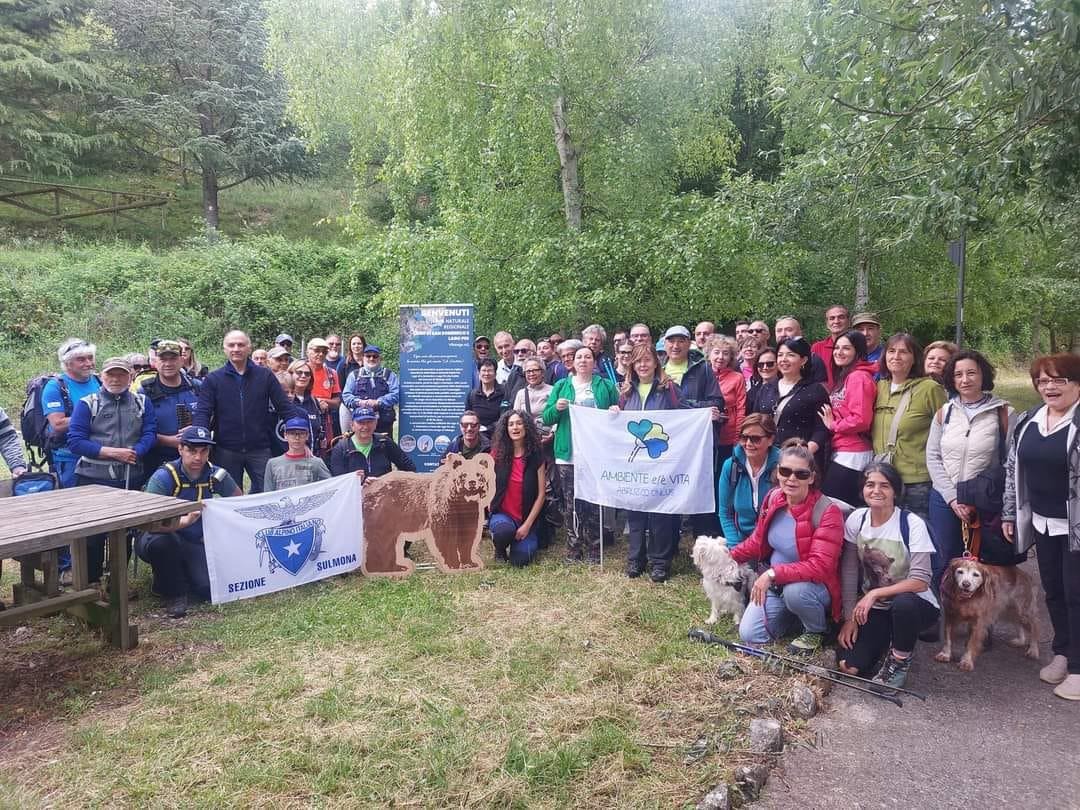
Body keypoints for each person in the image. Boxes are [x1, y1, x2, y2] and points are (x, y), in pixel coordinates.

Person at [1003, 354, 1080, 700]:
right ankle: (1063, 652)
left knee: (1077, 595)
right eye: (1043, 381)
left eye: (1059, 380)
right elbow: (1011, 469)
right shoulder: (1030, 419)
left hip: (1075, 525)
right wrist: (1009, 513)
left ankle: (1079, 668)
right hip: (1043, 523)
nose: (1049, 387)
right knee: (1056, 592)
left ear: (1076, 384)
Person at [730, 439, 845, 654]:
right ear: (778, 472)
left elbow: (820, 566)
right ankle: (794, 618)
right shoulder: (774, 497)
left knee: (796, 593)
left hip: (811, 587)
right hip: (775, 586)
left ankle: (817, 629)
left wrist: (772, 574)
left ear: (811, 477)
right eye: (785, 471)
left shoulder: (828, 512)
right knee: (750, 635)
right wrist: (729, 556)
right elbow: (757, 540)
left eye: (800, 474)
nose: (791, 478)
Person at [837, 462, 940, 689]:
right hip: (875, 608)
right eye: (870, 484)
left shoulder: (912, 524)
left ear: (895, 491)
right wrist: (849, 617)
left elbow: (921, 581)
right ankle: (887, 641)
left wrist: (875, 593)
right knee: (849, 666)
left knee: (903, 605)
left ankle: (899, 661)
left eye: (884, 485)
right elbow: (850, 569)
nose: (876, 491)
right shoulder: (857, 519)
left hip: (915, 604)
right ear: (862, 489)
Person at [926, 349, 1014, 589]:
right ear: (951, 379)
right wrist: (953, 498)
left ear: (982, 375)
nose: (965, 380)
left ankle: (982, 622)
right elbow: (933, 457)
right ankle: (946, 620)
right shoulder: (944, 413)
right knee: (944, 562)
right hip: (945, 498)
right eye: (958, 374)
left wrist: (1008, 510)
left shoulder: (1004, 413)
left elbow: (1010, 464)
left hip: (984, 499)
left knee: (983, 567)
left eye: (971, 373)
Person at [67, 357, 158, 583]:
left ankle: (117, 583)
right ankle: (91, 583)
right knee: (93, 535)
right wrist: (113, 452)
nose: (115, 379)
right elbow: (75, 441)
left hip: (129, 477)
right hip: (92, 479)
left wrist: (137, 451)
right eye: (110, 374)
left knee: (124, 533)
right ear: (102, 376)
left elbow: (150, 433)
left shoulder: (142, 402)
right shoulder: (88, 403)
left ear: (131, 377)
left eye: (121, 374)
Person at [139, 425, 242, 617]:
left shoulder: (217, 474)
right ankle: (174, 594)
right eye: (192, 451)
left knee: (205, 589)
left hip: (197, 539)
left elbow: (238, 503)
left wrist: (216, 528)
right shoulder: (164, 476)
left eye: (204, 452)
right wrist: (183, 522)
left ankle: (174, 576)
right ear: (180, 449)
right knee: (164, 545)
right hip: (159, 535)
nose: (198, 457)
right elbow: (147, 521)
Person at [192, 330, 303, 494]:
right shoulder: (213, 379)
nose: (236, 349)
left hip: (260, 447)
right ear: (224, 349)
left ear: (249, 348)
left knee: (270, 494)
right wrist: (198, 441)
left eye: (241, 345)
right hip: (226, 449)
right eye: (231, 345)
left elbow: (285, 408)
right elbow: (203, 413)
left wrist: (299, 434)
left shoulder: (265, 376)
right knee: (230, 498)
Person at [543, 346, 619, 563]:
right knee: (571, 503)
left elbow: (618, 411)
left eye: (588, 356)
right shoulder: (561, 386)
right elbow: (547, 419)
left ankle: (595, 548)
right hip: (568, 454)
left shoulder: (605, 385)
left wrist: (615, 410)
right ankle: (573, 549)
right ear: (572, 363)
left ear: (594, 362)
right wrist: (557, 408)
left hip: (595, 453)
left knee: (594, 502)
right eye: (579, 357)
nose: (583, 360)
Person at [618, 342, 685, 581]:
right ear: (632, 366)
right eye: (638, 361)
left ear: (656, 363)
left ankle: (660, 562)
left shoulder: (669, 389)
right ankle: (636, 559)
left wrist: (706, 412)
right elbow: (620, 426)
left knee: (660, 513)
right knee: (635, 512)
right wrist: (614, 412)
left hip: (662, 460)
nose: (643, 365)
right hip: (636, 464)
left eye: (647, 360)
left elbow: (686, 415)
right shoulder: (626, 393)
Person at [871, 333, 946, 520]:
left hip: (916, 481)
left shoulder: (929, 388)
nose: (896, 356)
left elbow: (948, 431)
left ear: (915, 358)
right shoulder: (878, 387)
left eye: (903, 352)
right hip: (883, 478)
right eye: (891, 351)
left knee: (917, 536)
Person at [663, 325, 725, 534]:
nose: (676, 345)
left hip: (696, 442)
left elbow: (717, 402)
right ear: (665, 344)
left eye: (681, 340)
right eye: (671, 341)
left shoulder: (703, 368)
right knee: (668, 488)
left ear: (689, 343)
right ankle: (668, 544)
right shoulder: (657, 369)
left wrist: (684, 406)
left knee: (699, 488)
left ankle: (703, 541)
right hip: (667, 441)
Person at [752, 337, 829, 472]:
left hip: (800, 461)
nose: (784, 359)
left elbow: (822, 428)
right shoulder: (766, 389)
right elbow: (755, 422)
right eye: (780, 355)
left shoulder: (816, 390)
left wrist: (805, 453)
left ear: (803, 360)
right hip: (766, 457)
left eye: (790, 355)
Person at [819, 330, 877, 507]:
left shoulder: (858, 377)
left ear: (858, 352)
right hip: (843, 450)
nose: (839, 352)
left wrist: (833, 425)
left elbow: (861, 419)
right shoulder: (846, 376)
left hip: (854, 452)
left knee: (833, 507)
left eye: (846, 348)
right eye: (837, 347)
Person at [488, 410, 546, 567]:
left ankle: (519, 541)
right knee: (503, 532)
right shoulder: (497, 454)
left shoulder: (536, 455)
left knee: (520, 560)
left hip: (526, 518)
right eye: (511, 424)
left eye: (519, 423)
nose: (515, 427)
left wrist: (527, 525)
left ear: (526, 427)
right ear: (505, 428)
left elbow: (541, 495)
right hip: (503, 515)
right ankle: (500, 549)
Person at [42, 338, 101, 489]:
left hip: (99, 452)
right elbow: (58, 424)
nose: (88, 363)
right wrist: (92, 414)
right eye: (81, 359)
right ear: (68, 363)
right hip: (69, 457)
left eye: (90, 358)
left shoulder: (99, 381)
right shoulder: (55, 387)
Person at [139, 339, 201, 475]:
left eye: (173, 359)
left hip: (193, 459)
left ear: (182, 360)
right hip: (156, 460)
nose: (168, 364)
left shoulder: (196, 387)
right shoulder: (144, 391)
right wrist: (168, 441)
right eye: (163, 359)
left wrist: (197, 430)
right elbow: (137, 429)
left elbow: (212, 419)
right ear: (155, 361)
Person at [718, 414, 779, 547]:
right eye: (744, 438)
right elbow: (725, 512)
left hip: (775, 542)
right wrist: (735, 547)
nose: (748, 443)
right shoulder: (731, 466)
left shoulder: (783, 467)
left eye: (756, 439)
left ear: (770, 440)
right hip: (742, 539)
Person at [329, 406, 415, 480]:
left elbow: (408, 466)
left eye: (369, 422)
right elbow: (338, 481)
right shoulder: (341, 448)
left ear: (375, 423)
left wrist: (394, 481)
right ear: (352, 425)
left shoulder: (384, 442)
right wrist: (358, 481)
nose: (365, 427)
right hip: (355, 495)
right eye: (360, 423)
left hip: (383, 494)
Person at [341, 345, 399, 436]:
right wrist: (359, 402)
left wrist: (378, 402)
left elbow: (396, 394)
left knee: (384, 448)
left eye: (375, 356)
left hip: (384, 423)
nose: (371, 359)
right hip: (361, 422)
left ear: (380, 358)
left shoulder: (389, 375)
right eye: (368, 356)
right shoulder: (354, 375)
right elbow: (346, 395)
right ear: (363, 358)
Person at [706, 334, 746, 465]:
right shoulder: (702, 375)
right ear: (709, 354)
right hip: (705, 434)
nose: (720, 357)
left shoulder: (737, 378)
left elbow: (741, 408)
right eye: (716, 352)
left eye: (725, 353)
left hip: (728, 435)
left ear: (731, 357)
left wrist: (738, 437)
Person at [264, 416, 332, 491]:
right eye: (292, 433)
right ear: (285, 435)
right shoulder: (272, 464)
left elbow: (330, 486)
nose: (297, 438)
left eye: (301, 433)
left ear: (307, 436)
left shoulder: (316, 463)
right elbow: (268, 494)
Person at [305, 337, 341, 455]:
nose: (320, 354)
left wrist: (323, 402)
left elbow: (336, 401)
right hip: (303, 418)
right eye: (317, 350)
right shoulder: (301, 371)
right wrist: (315, 402)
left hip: (325, 419)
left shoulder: (331, 373)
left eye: (324, 351)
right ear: (308, 351)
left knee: (324, 452)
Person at [283, 359, 324, 451]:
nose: (303, 376)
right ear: (290, 374)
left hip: (311, 457)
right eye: (299, 372)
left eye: (307, 374)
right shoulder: (283, 400)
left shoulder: (314, 402)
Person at [774, 317, 827, 384]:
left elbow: (822, 389)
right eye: (779, 330)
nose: (783, 334)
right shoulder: (768, 358)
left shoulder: (813, 359)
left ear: (800, 333)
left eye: (789, 330)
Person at [811, 304, 851, 389]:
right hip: (823, 398)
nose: (836, 321)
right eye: (832, 318)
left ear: (848, 321)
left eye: (841, 317)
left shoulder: (857, 346)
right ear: (827, 323)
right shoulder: (817, 348)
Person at [465, 358, 508, 433]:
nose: (486, 374)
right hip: (478, 438)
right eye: (484, 370)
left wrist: (487, 428)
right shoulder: (472, 395)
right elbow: (468, 418)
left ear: (495, 374)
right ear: (479, 373)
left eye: (490, 370)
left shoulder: (505, 392)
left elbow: (505, 418)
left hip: (499, 436)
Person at [746, 345, 777, 414]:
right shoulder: (751, 393)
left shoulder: (786, 388)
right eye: (760, 364)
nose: (765, 367)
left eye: (770, 364)